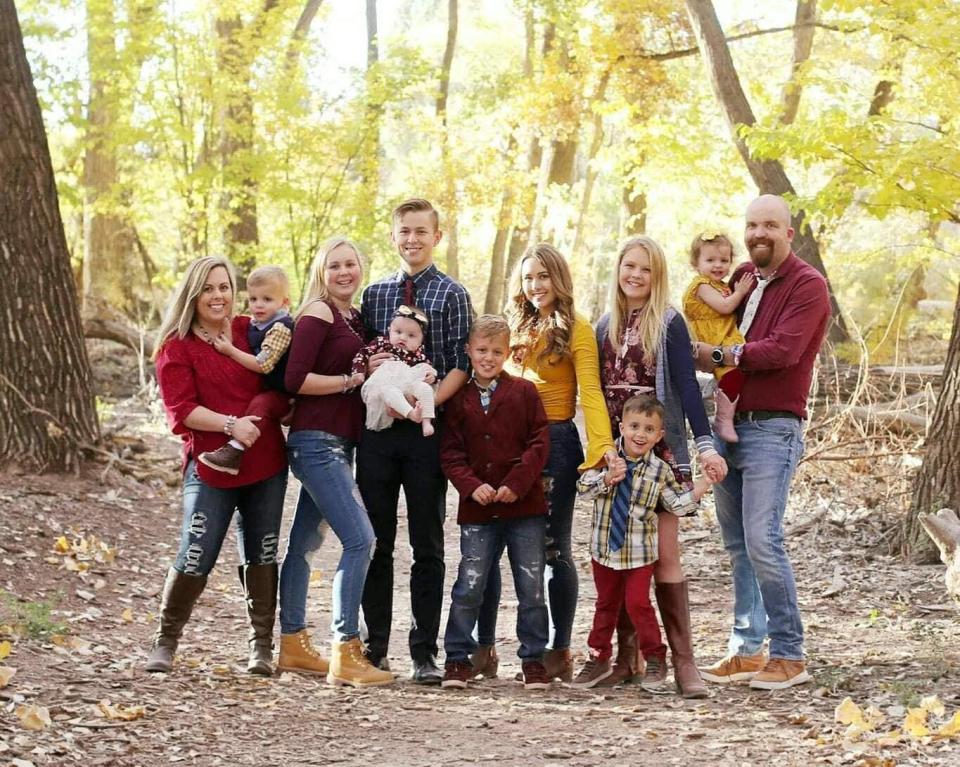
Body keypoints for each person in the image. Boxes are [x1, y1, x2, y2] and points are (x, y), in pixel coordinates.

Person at [695, 194, 830, 691]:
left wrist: (717, 354)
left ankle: (790, 654)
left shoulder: (808, 285)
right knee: (738, 546)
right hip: (728, 424)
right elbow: (714, 333)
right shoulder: (741, 282)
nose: (759, 234)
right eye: (752, 225)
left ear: (788, 233)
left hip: (774, 427)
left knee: (762, 540)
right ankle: (748, 649)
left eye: (770, 225)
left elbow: (782, 351)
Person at [477, 243, 616, 683]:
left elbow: (590, 392)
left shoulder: (576, 329)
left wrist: (602, 449)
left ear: (558, 279)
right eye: (528, 277)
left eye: (543, 276)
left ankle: (557, 651)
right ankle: (483, 649)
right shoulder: (510, 325)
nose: (535, 286)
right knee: (492, 546)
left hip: (554, 443)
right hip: (503, 445)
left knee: (553, 550)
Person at [595, 235, 726, 698]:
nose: (636, 275)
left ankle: (683, 663)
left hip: (660, 455)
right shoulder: (603, 325)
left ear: (658, 276)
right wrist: (598, 453)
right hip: (616, 457)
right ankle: (628, 660)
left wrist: (704, 445)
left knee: (665, 554)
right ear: (618, 269)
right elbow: (594, 397)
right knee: (619, 556)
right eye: (629, 266)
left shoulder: (669, 322)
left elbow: (688, 389)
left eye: (646, 269)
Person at [147, 256, 288, 676]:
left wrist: (264, 412)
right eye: (208, 288)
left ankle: (261, 646)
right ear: (193, 294)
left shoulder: (251, 330)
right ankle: (165, 641)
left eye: (224, 287)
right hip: (210, 466)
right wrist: (231, 424)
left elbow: (280, 385)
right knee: (196, 550)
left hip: (265, 464)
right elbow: (182, 412)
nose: (218, 296)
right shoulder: (176, 347)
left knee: (261, 552)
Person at [358, 198, 473, 684]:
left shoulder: (452, 294)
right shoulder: (375, 294)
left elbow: (460, 365)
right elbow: (367, 357)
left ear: (437, 236)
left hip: (427, 432)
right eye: (404, 231)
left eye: (421, 231)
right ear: (393, 236)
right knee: (376, 541)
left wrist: (427, 401)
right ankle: (375, 646)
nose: (412, 239)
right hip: (380, 433)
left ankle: (424, 651)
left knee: (427, 542)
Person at [275, 237, 394, 687]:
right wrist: (351, 379)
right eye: (335, 265)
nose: (345, 272)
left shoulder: (355, 317)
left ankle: (292, 643)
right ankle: (346, 650)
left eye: (351, 264)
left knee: (304, 545)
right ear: (322, 272)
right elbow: (295, 378)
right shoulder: (317, 313)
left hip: (340, 445)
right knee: (362, 540)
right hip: (316, 443)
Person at [439, 315, 552, 690]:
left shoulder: (524, 392)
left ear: (509, 352)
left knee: (532, 585)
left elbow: (539, 443)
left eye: (497, 351)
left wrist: (517, 484)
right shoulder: (457, 398)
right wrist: (471, 486)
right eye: (482, 350)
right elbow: (450, 452)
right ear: (470, 351)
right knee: (469, 584)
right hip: (478, 508)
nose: (488, 358)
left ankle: (533, 658)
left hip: (525, 508)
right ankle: (458, 656)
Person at [572, 396, 710, 689]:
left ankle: (655, 658)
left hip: (639, 553)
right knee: (605, 605)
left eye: (649, 429)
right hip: (604, 550)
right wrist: (606, 479)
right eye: (634, 426)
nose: (640, 434)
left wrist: (702, 486)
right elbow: (583, 489)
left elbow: (674, 504)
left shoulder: (660, 469)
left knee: (637, 604)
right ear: (621, 427)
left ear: (659, 435)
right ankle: (598, 657)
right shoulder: (605, 457)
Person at [199, 265, 295, 474]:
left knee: (262, 403)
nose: (258, 306)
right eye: (253, 299)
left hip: (282, 392)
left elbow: (263, 364)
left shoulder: (280, 327)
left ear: (284, 302)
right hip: (269, 386)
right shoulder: (257, 322)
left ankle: (235, 449)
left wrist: (230, 350)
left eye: (267, 300)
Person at [681, 232, 754, 443]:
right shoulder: (702, 286)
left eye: (724, 260)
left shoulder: (720, 285)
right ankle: (723, 419)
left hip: (725, 335)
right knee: (731, 373)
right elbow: (725, 306)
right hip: (715, 339)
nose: (718, 265)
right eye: (710, 260)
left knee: (735, 375)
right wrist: (740, 292)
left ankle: (722, 407)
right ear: (696, 263)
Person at [351, 305, 438, 437]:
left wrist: (432, 376)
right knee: (390, 392)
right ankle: (411, 413)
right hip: (388, 383)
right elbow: (362, 354)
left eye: (411, 335)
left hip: (410, 383)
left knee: (426, 389)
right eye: (398, 332)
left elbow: (428, 368)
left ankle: (427, 421)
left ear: (421, 341)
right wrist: (358, 372)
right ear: (389, 331)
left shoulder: (419, 354)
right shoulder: (382, 343)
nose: (403, 338)